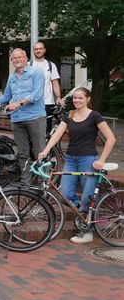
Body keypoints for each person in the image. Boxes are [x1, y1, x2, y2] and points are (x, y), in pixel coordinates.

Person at [38, 87, 115, 243]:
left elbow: (111, 138)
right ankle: (84, 211)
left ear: (87, 99)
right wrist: (45, 151)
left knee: (88, 195)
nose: (77, 101)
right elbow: (57, 134)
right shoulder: (70, 115)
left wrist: (101, 160)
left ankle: (88, 232)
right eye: (75, 98)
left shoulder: (95, 116)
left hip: (88, 159)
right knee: (65, 193)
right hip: (71, 159)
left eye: (80, 98)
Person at [0, 48, 45, 185]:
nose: (17, 60)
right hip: (17, 118)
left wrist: (18, 103)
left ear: (26, 58)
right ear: (12, 61)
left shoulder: (36, 72)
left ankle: (43, 185)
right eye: (14, 58)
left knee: (40, 153)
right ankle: (26, 184)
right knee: (23, 153)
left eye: (20, 57)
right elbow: (7, 96)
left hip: (34, 116)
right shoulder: (12, 76)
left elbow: (36, 94)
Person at [29, 41, 65, 133]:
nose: (38, 51)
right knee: (32, 129)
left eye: (40, 48)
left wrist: (58, 97)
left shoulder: (51, 65)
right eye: (36, 49)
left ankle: (46, 147)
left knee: (46, 129)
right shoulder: (28, 65)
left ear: (44, 50)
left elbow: (55, 82)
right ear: (33, 51)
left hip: (47, 102)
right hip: (31, 102)